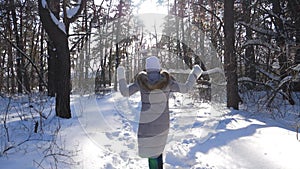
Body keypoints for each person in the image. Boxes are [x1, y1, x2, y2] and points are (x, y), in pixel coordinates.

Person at [117, 56, 202, 169]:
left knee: (152, 153)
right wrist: (195, 73)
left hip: (147, 124)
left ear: (147, 68)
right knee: (157, 151)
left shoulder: (141, 81)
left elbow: (125, 92)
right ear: (158, 67)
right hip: (163, 125)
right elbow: (185, 88)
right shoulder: (167, 81)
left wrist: (121, 75)